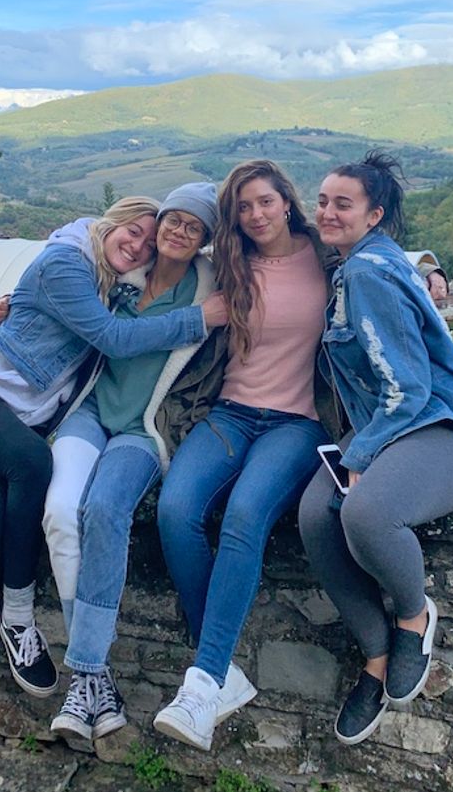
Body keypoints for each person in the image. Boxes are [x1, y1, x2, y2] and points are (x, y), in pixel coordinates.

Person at [0, 196, 227, 714]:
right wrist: (197, 320)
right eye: (129, 232)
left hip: (14, 421)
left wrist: (10, 303)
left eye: (145, 241)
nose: (136, 245)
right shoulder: (68, 260)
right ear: (106, 225)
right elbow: (111, 338)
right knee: (36, 466)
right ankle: (18, 619)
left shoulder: (110, 284)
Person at [297, 152, 453, 745]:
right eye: (323, 200)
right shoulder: (360, 260)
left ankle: (413, 614)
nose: (327, 212)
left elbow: (409, 389)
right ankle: (376, 655)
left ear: (374, 214)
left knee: (366, 512)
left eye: (343, 204)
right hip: (394, 424)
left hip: (451, 429)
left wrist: (360, 458)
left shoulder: (365, 274)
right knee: (315, 516)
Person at [152, 161, 334, 751]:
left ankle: (202, 683)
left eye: (264, 202)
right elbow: (130, 258)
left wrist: (432, 271)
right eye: (243, 208)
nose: (255, 215)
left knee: (245, 516)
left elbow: (389, 259)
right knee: (175, 510)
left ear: (287, 200)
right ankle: (219, 667)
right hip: (229, 412)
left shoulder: (327, 253)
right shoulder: (225, 266)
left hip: (297, 423)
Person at [47, 183, 220, 749]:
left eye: (192, 227)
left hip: (143, 428)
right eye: (172, 219)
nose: (175, 232)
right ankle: (95, 681)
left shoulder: (213, 285)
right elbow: (64, 275)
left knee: (104, 508)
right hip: (91, 411)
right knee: (59, 511)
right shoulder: (125, 274)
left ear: (204, 241)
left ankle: (85, 675)